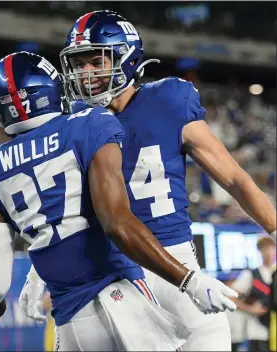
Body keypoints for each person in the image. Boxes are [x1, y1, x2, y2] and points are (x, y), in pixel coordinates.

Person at [0, 51, 237, 351]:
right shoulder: (89, 123)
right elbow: (117, 223)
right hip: (123, 304)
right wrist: (190, 279)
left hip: (70, 322)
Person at [20, 10, 277, 351]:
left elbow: (232, 178)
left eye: (96, 60)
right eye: (79, 64)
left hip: (155, 266)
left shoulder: (163, 101)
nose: (86, 72)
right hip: (116, 275)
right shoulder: (77, 120)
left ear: (126, 57)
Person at [231, 237, 276, 351]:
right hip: (258, 330)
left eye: (270, 248)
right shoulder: (250, 274)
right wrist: (249, 309)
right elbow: (231, 297)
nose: (268, 252)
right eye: (264, 249)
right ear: (259, 251)